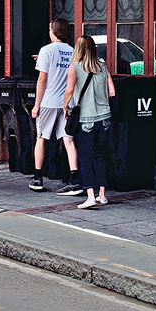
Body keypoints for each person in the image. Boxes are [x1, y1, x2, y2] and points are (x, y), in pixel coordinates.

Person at [63, 35, 117, 209]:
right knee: (101, 155)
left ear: (78, 49)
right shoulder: (102, 65)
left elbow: (70, 90)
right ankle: (102, 195)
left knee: (86, 158)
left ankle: (90, 196)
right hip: (105, 117)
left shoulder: (75, 67)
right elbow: (112, 92)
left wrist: (65, 107)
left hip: (87, 118)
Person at [30, 18, 82, 195]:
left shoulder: (46, 50)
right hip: (68, 102)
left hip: (49, 101)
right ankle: (74, 178)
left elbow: (42, 79)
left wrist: (36, 105)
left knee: (42, 137)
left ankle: (37, 178)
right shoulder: (73, 51)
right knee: (68, 139)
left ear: (54, 31)